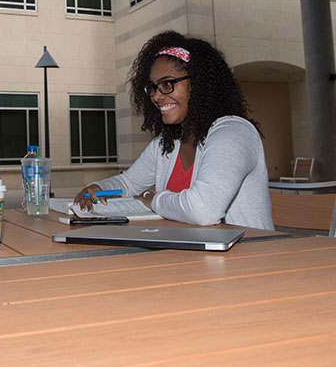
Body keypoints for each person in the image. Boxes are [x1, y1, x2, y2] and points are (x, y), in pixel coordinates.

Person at [74, 31, 274, 231]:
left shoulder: (233, 132)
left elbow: (203, 210)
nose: (156, 96)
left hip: (246, 258)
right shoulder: (168, 142)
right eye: (152, 87)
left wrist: (153, 201)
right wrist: (99, 189)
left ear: (197, 84)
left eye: (167, 84)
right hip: (188, 254)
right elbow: (128, 183)